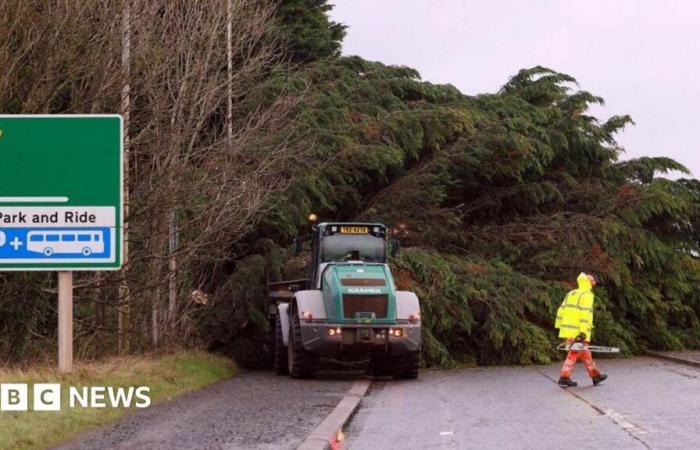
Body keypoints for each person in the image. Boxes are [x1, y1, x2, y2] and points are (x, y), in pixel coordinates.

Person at [554, 272, 608, 387]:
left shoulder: (571, 293)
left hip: (569, 331)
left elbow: (561, 310)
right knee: (573, 354)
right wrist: (582, 333)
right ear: (588, 282)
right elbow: (585, 315)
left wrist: (560, 327)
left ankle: (595, 376)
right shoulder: (587, 295)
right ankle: (564, 376)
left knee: (586, 354)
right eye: (593, 281)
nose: (594, 283)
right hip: (578, 332)